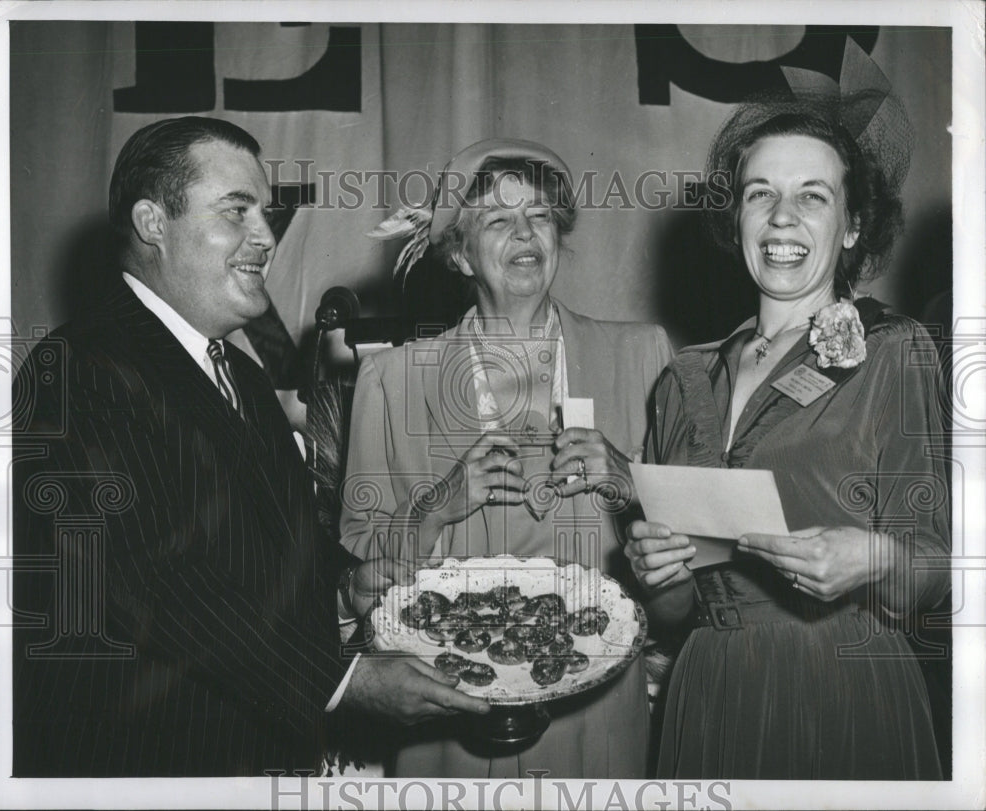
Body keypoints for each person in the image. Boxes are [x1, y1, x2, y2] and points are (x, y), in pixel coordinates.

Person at [11, 116, 487, 777]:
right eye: (238, 211)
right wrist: (345, 680)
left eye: (264, 214)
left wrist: (345, 579)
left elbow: (261, 532)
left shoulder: (238, 374)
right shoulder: (79, 365)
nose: (266, 237)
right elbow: (155, 578)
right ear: (153, 222)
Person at [625, 92, 950, 779]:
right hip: (709, 688)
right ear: (736, 215)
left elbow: (937, 572)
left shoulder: (893, 350)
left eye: (813, 196)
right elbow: (678, 608)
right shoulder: (680, 379)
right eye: (759, 193)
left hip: (841, 686)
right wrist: (659, 574)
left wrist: (877, 558)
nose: (781, 217)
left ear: (854, 226)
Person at [340, 138, 673, 778]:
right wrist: (436, 505)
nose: (526, 233)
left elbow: (687, 544)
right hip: (450, 708)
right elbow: (363, 581)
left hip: (594, 711)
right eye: (497, 220)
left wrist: (630, 480)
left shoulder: (641, 356)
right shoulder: (390, 380)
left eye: (541, 216)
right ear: (460, 255)